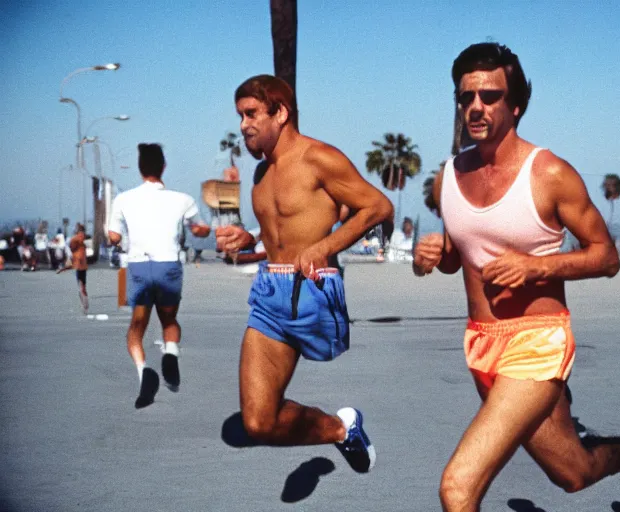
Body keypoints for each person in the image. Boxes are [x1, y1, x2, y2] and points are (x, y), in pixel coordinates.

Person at [413, 42, 620, 511]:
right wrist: (434, 255)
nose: (475, 106)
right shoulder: (448, 177)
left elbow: (606, 257)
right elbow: (461, 256)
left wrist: (534, 267)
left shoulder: (549, 173)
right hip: (481, 342)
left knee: (458, 486)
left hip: (537, 343)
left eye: (489, 96)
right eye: (465, 97)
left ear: (515, 105)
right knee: (572, 473)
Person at [215, 75, 393, 473]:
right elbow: (276, 237)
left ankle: (340, 429)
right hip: (268, 291)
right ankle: (340, 430)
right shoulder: (261, 177)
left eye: (251, 113)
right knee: (258, 422)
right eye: (240, 116)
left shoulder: (319, 158)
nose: (243, 124)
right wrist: (246, 240)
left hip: (311, 291)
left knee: (264, 416)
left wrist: (324, 247)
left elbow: (378, 207)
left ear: (280, 112)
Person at [107, 143, 211, 409]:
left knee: (136, 327)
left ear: (140, 168)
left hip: (139, 265)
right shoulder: (183, 199)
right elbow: (199, 229)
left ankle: (145, 372)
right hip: (169, 265)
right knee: (169, 321)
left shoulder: (123, 199)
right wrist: (202, 231)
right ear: (164, 166)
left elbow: (114, 236)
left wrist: (118, 240)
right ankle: (171, 353)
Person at [58, 224, 89, 313]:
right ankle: (85, 300)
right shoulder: (85, 238)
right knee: (83, 283)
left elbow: (71, 248)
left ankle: (84, 304)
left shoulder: (74, 239)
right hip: (84, 263)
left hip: (78, 263)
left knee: (79, 284)